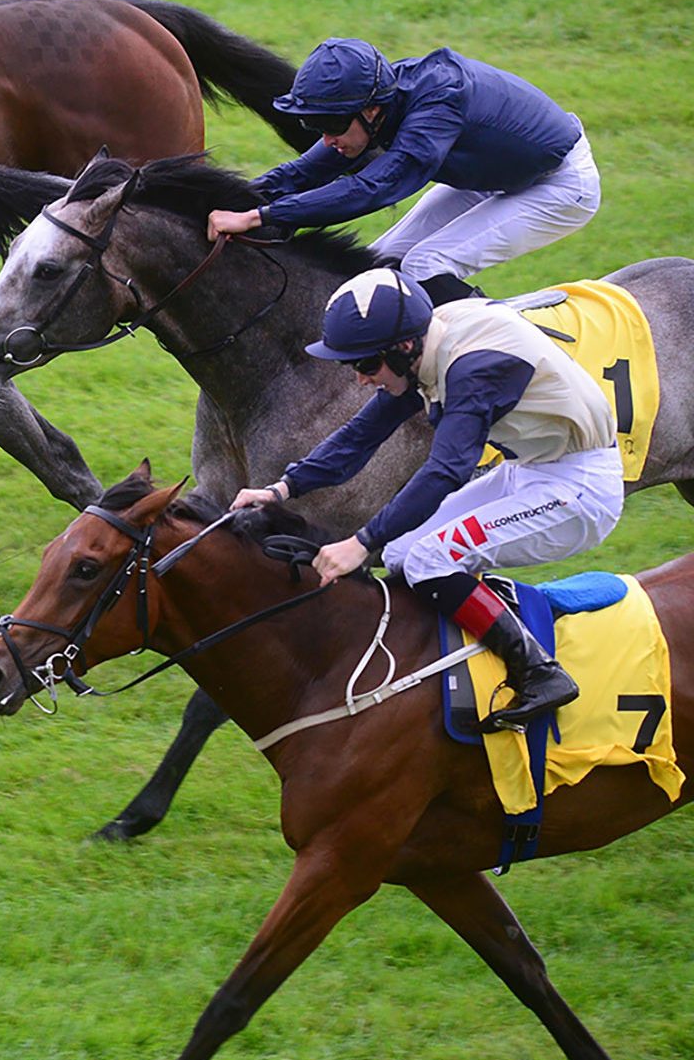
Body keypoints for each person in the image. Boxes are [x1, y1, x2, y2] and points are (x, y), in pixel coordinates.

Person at [230, 268, 621, 732]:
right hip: (534, 470)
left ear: (404, 348)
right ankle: (458, 655)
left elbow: (445, 471)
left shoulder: (474, 367)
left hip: (579, 489)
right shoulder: (423, 344)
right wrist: (281, 489)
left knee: (430, 560)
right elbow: (362, 436)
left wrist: (360, 541)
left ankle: (540, 673)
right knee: (398, 555)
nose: (359, 380)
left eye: (364, 365)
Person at [207, 38, 600, 306]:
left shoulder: (437, 106)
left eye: (332, 125)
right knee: (380, 264)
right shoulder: (377, 102)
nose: (326, 139)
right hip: (494, 178)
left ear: (371, 111)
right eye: (316, 126)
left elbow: (375, 188)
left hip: (561, 185)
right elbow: (302, 173)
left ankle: (508, 353)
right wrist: (228, 201)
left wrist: (263, 216)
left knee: (426, 266)